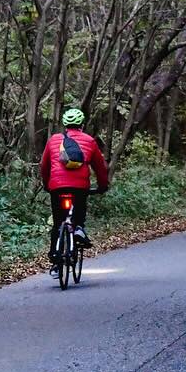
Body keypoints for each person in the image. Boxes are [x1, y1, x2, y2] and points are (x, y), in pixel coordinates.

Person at [39, 108, 110, 262]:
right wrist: (103, 185)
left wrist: (47, 184)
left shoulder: (54, 140)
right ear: (82, 125)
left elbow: (44, 166)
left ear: (65, 125)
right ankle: (78, 229)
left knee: (58, 221)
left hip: (57, 187)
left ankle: (54, 255)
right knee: (79, 213)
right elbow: (100, 168)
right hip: (79, 186)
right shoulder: (89, 141)